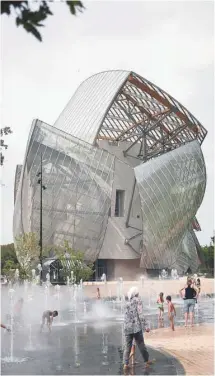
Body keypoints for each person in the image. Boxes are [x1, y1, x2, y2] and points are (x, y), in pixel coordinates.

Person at [123, 287, 153, 370]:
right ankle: (146, 361)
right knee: (141, 345)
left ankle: (125, 364)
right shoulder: (138, 300)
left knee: (127, 347)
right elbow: (140, 314)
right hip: (136, 327)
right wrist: (146, 326)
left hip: (127, 327)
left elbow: (125, 315)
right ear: (136, 293)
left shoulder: (127, 301)